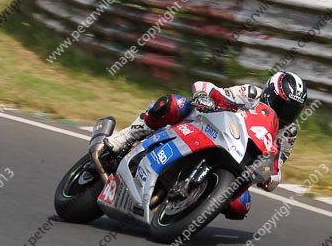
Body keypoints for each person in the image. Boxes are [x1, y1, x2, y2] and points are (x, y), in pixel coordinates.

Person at [105, 72, 308, 219]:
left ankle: (194, 205)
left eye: (293, 110)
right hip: (206, 128)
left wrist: (269, 175)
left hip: (237, 161)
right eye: (283, 106)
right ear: (270, 94)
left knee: (241, 205)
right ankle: (126, 136)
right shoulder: (251, 94)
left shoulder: (288, 133)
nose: (286, 114)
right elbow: (210, 89)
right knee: (174, 104)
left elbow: (276, 166)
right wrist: (204, 97)